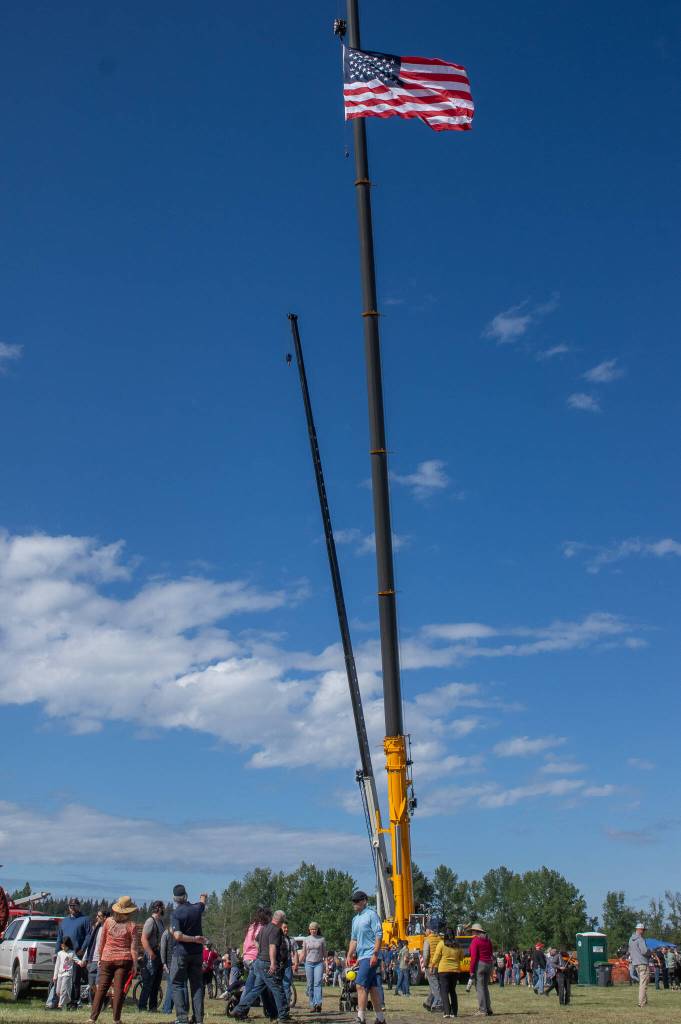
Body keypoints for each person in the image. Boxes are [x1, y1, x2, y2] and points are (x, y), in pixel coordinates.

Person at [87, 895, 139, 1024]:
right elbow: (134, 948)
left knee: (102, 988)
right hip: (124, 959)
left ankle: (92, 1018)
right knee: (118, 989)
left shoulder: (108, 922)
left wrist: (100, 957)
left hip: (106, 958)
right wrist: (135, 964)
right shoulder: (131, 926)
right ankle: (116, 1019)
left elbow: (102, 942)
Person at [231, 909, 290, 1022]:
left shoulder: (265, 928)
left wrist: (261, 952)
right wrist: (273, 962)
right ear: (281, 920)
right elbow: (272, 946)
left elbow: (256, 942)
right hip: (267, 963)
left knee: (256, 989)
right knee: (277, 989)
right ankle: (283, 1017)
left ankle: (238, 1010)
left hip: (259, 962)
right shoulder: (275, 930)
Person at [346, 890, 386, 1024]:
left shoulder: (371, 915)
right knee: (373, 988)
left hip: (371, 955)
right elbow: (354, 939)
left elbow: (378, 935)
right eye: (353, 901)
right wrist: (349, 954)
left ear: (364, 901)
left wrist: (375, 953)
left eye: (357, 901)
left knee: (360, 985)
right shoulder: (355, 919)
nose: (354, 904)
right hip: (362, 956)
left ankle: (361, 1017)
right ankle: (380, 1019)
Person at [170, 884, 208, 1024]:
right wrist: (203, 897)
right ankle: (199, 1019)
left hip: (181, 953)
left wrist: (193, 939)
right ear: (185, 895)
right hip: (197, 953)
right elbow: (202, 902)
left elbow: (178, 936)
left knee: (178, 984)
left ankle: (182, 1018)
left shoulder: (176, 914)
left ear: (174, 899)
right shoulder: (197, 909)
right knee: (197, 986)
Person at [55, 897, 91, 1008]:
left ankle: (74, 1002)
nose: (72, 908)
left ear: (78, 906)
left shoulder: (85, 919)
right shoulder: (64, 921)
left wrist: (82, 949)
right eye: (71, 906)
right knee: (62, 978)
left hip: (76, 954)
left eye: (75, 905)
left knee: (75, 979)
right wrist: (57, 952)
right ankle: (61, 1001)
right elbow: (59, 938)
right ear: (68, 907)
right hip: (64, 955)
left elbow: (88, 936)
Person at [138, 899, 165, 1012]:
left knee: (156, 982)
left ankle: (152, 1007)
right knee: (148, 982)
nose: (164, 909)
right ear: (158, 908)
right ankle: (142, 1007)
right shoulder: (151, 921)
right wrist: (150, 953)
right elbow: (143, 938)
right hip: (151, 954)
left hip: (158, 954)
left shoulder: (161, 922)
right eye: (162, 907)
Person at [431, 925, 462, 1018]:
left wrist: (432, 966)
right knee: (453, 991)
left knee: (444, 992)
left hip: (443, 970)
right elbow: (461, 957)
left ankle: (447, 1012)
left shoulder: (441, 943)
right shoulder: (457, 945)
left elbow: (436, 956)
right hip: (455, 970)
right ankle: (454, 1012)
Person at [468, 922, 493, 1017]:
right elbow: (491, 952)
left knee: (479, 988)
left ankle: (482, 1010)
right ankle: (488, 1008)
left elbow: (473, 957)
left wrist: (471, 970)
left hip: (480, 964)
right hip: (488, 964)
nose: (471, 933)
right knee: (485, 987)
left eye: (472, 931)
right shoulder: (488, 940)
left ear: (475, 931)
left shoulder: (475, 941)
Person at [82, 910, 107, 1002]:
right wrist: (85, 958)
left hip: (102, 960)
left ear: (105, 918)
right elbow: (91, 945)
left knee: (98, 983)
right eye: (97, 915)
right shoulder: (97, 928)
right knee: (91, 983)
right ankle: (98, 1001)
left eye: (99, 916)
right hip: (93, 959)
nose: (97, 917)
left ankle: (97, 1003)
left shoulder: (108, 929)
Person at [301, 921, 326, 1012]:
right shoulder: (306, 939)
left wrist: (326, 965)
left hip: (319, 963)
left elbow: (325, 954)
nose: (313, 931)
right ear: (309, 930)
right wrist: (296, 963)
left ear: (317, 929)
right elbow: (303, 953)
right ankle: (311, 1004)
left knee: (318, 983)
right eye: (311, 929)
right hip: (308, 963)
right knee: (310, 984)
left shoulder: (321, 939)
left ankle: (318, 1003)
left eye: (315, 929)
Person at [628, 923, 652, 1008]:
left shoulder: (631, 939)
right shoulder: (641, 939)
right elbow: (644, 951)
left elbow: (630, 951)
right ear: (640, 930)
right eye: (643, 930)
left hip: (635, 963)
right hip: (643, 963)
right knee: (643, 984)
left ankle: (644, 1002)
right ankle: (641, 1003)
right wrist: (650, 952)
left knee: (642, 983)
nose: (644, 932)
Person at [422, 927, 443, 1013]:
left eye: (426, 930)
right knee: (434, 984)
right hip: (439, 965)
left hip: (430, 965)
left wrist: (425, 965)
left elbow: (426, 954)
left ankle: (438, 1004)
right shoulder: (439, 939)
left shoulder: (427, 940)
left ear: (430, 931)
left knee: (435, 986)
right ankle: (429, 1002)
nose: (424, 932)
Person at [52, 936, 77, 1009]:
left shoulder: (71, 953)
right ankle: (68, 999)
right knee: (58, 991)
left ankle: (60, 1005)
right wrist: (55, 976)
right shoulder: (59, 953)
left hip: (67, 973)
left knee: (63, 989)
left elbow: (76, 960)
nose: (63, 948)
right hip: (60, 974)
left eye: (65, 946)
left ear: (68, 945)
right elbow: (57, 965)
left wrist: (81, 962)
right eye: (62, 946)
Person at [160, 922, 177, 1015]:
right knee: (172, 986)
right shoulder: (166, 934)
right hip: (169, 964)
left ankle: (166, 1008)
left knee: (172, 986)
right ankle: (167, 1009)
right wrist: (164, 963)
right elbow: (163, 950)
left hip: (175, 964)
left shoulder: (177, 935)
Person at [280, 921, 298, 1006]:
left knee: (287, 984)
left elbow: (295, 953)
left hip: (287, 963)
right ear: (280, 928)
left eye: (287, 928)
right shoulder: (276, 938)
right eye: (284, 927)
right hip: (277, 964)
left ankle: (286, 1006)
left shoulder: (291, 940)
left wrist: (296, 963)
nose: (286, 929)